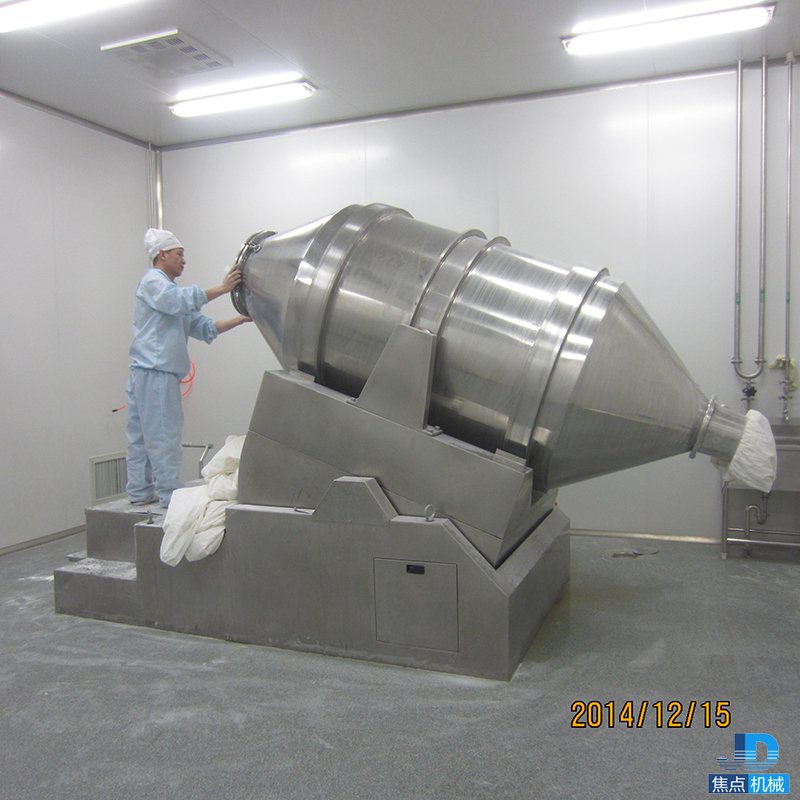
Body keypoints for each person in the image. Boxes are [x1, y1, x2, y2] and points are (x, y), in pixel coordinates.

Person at [125, 228, 251, 507]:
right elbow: (178, 301)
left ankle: (140, 492)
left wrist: (241, 318)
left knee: (142, 438)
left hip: (146, 373)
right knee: (162, 436)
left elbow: (204, 327)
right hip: (156, 373)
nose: (184, 260)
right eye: (179, 254)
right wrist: (223, 288)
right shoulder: (153, 282)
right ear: (162, 255)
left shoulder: (171, 294)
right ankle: (168, 497)